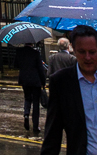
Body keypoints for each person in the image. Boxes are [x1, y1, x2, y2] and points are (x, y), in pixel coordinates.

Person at [42, 24, 97, 155]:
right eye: (82, 52)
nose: (88, 57)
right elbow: (53, 134)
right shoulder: (61, 82)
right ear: (73, 49)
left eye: (93, 52)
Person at [15, 43, 46, 137]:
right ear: (32, 43)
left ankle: (26, 114)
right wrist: (43, 81)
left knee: (27, 98)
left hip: (24, 79)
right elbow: (40, 69)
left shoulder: (19, 52)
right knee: (36, 102)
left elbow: (15, 65)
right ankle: (35, 126)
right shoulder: (36, 53)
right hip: (35, 80)